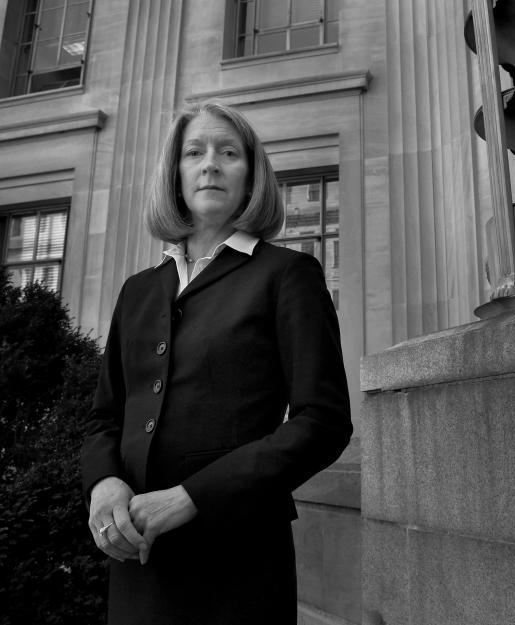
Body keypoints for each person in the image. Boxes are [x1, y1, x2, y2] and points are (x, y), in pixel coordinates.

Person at [80, 100, 352, 625]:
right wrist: (103, 485)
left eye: (229, 152)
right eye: (194, 152)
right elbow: (104, 417)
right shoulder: (138, 290)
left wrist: (190, 498)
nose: (210, 163)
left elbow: (323, 422)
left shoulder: (287, 274)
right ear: (175, 174)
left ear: (251, 177)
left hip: (237, 560)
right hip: (139, 559)